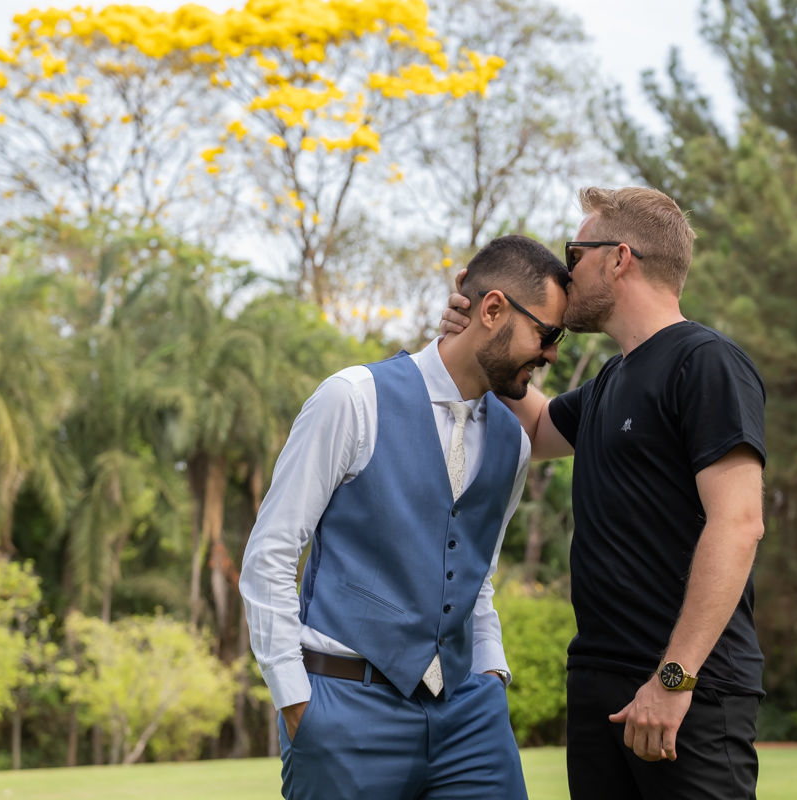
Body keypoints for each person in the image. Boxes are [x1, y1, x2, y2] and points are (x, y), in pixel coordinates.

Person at [441, 187, 766, 799]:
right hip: (600, 686)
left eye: (575, 252)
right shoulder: (612, 378)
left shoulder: (706, 363)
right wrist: (487, 339)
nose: (567, 270)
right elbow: (537, 428)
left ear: (619, 259)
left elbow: (739, 523)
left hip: (685, 695)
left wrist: (673, 681)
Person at [240, 234, 571, 800]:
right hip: (343, 709)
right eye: (548, 334)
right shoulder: (352, 399)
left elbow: (475, 577)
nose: (552, 355)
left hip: (469, 715)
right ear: (492, 310)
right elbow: (270, 552)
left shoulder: (513, 443)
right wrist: (296, 702)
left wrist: (492, 678)